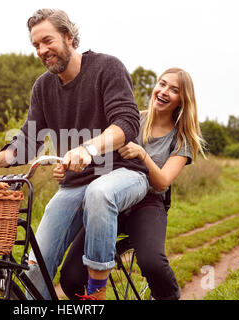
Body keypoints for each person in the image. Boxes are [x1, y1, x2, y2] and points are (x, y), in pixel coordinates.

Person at [0, 8, 149, 299]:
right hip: (76, 183)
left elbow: (126, 122)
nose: (41, 50)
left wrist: (89, 148)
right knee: (35, 271)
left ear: (69, 36)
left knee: (98, 193)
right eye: (36, 45)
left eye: (47, 41)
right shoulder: (43, 87)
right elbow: (27, 142)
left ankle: (96, 293)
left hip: (124, 173)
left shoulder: (107, 68)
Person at [58, 68, 206, 300]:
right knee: (70, 277)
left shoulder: (182, 138)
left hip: (147, 203)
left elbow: (162, 183)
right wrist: (69, 168)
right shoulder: (132, 120)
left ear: (182, 100)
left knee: (152, 263)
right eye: (162, 84)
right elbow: (101, 158)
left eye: (174, 90)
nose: (164, 91)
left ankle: (169, 296)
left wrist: (142, 155)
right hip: (110, 199)